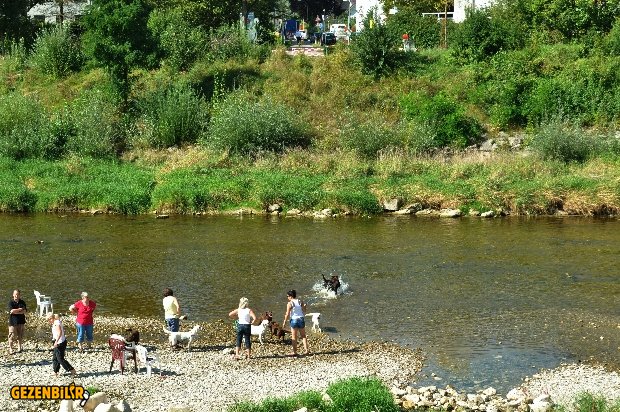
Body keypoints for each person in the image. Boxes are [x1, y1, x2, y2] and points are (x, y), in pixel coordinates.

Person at [47, 313, 76, 378]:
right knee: (55, 358)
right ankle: (55, 372)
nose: (48, 321)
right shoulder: (56, 321)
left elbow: (60, 332)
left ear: (51, 318)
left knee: (60, 359)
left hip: (60, 343)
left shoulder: (56, 323)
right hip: (58, 341)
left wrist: (56, 342)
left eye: (49, 320)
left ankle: (72, 370)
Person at [282, 289, 310, 357]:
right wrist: (305, 306)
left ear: (291, 296)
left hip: (294, 320)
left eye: (287, 296)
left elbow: (287, 314)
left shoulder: (290, 303)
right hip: (301, 319)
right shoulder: (300, 301)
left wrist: (284, 322)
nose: (287, 297)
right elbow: (304, 311)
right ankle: (306, 350)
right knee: (303, 336)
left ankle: (295, 352)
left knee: (294, 337)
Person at [8, 289, 27, 354]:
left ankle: (19, 347)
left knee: (20, 335)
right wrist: (20, 310)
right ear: (13, 295)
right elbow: (11, 311)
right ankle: (11, 348)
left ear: (19, 295)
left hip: (21, 321)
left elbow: (24, 311)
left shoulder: (22, 302)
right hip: (12, 322)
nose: (16, 295)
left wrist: (16, 311)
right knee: (11, 336)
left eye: (18, 294)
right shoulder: (10, 302)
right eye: (15, 294)